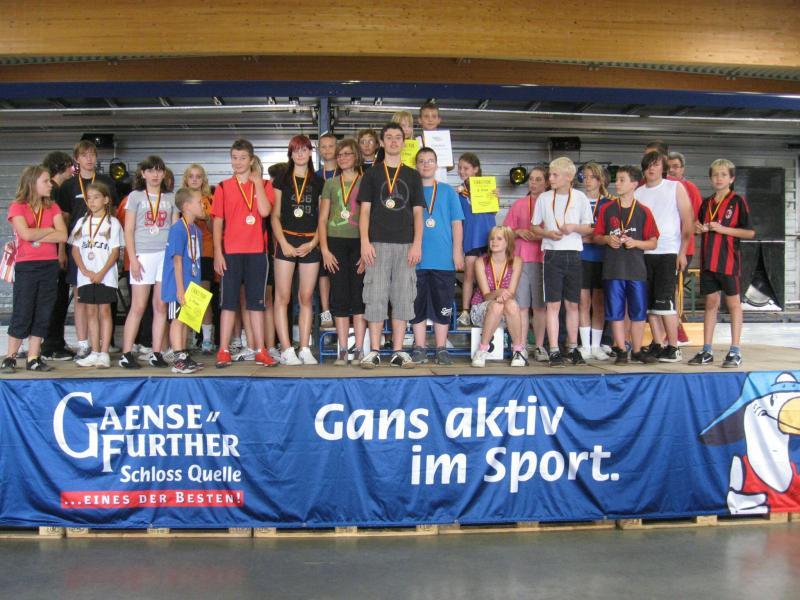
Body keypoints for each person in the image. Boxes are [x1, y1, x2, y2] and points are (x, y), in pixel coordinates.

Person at [357, 122, 424, 369]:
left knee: (403, 296)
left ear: (404, 142)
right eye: (389, 137)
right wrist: (365, 242)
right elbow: (364, 211)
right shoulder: (372, 174)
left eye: (398, 137)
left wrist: (417, 244)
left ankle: (398, 351)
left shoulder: (412, 175)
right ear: (382, 143)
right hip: (376, 244)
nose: (394, 141)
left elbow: (418, 213)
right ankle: (374, 351)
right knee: (375, 295)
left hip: (406, 245)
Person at [211, 139, 275, 368]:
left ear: (251, 160)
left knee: (256, 304)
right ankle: (223, 350)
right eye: (234, 158)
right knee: (228, 303)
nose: (237, 162)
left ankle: (260, 350)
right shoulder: (222, 187)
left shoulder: (264, 185)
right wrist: (218, 253)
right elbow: (217, 222)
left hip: (257, 252)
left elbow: (265, 211)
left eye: (242, 158)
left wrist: (257, 184)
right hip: (231, 252)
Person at [1, 166, 67, 373]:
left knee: (43, 311)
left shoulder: (53, 207)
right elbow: (25, 235)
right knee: (23, 310)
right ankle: (10, 357)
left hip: (49, 265)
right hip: (27, 265)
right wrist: (49, 230)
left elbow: (63, 235)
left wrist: (37, 233)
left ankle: (33, 357)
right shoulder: (18, 207)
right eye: (46, 181)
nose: (50, 185)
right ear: (32, 183)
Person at [688, 159, 754, 368]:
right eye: (715, 174)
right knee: (710, 303)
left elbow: (750, 232)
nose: (719, 178)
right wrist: (697, 229)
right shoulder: (706, 203)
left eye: (723, 174)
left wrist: (723, 229)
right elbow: (698, 226)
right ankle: (707, 349)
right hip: (708, 262)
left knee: (733, 304)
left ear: (731, 179)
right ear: (710, 178)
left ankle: (735, 350)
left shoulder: (737, 201)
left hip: (729, 262)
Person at [56, 139, 118, 361]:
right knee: (81, 297)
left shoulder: (106, 181)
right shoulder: (68, 186)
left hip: (102, 248)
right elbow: (63, 219)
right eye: (84, 155)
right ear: (77, 159)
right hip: (79, 247)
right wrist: (62, 249)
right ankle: (83, 344)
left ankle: (102, 345)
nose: (89, 158)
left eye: (92, 154)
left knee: (103, 301)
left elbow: (114, 213)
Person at [593, 166, 660, 365]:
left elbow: (653, 242)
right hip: (613, 268)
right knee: (616, 311)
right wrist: (607, 239)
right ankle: (621, 349)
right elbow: (596, 237)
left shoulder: (643, 211)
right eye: (617, 180)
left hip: (636, 269)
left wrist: (636, 243)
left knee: (638, 312)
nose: (618, 183)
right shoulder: (607, 209)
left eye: (622, 180)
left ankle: (637, 350)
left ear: (634, 184)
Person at [531, 157, 593, 367]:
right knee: (553, 304)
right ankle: (554, 349)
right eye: (550, 174)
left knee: (573, 304)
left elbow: (589, 227)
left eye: (555, 175)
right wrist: (547, 233)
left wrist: (574, 227)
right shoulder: (544, 198)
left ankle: (573, 348)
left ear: (568, 177)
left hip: (574, 254)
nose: (551, 178)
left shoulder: (580, 198)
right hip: (552, 254)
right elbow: (534, 227)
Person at [118, 156, 176, 369]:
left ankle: (156, 352)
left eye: (159, 170)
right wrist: (132, 259)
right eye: (150, 170)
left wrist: (174, 257)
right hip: (143, 255)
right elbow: (129, 229)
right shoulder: (135, 196)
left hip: (164, 256)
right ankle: (126, 354)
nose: (155, 175)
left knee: (161, 306)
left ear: (164, 173)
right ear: (143, 174)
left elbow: (175, 229)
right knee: (139, 306)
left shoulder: (170, 198)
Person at [636, 150, 694, 363]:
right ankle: (658, 344)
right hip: (644, 253)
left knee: (665, 302)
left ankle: (674, 346)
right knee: (650, 303)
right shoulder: (638, 192)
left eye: (656, 164)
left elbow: (688, 221)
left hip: (668, 252)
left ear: (663, 168)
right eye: (648, 165)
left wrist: (682, 252)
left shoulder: (674, 187)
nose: (651, 168)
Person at [272, 135, 325, 366]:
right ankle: (286, 349)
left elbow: (322, 219)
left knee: (306, 297)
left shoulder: (319, 182)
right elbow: (275, 215)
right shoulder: (282, 179)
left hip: (309, 244)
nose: (300, 154)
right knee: (283, 296)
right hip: (286, 241)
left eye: (304, 150)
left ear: (310, 152)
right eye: (296, 150)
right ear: (291, 154)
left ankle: (304, 347)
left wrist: (313, 243)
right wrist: (283, 243)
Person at [409, 147, 464, 365]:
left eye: (430, 160)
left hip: (443, 260)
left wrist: (457, 252)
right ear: (416, 165)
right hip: (416, 260)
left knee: (443, 305)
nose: (426, 164)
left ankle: (441, 347)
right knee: (417, 305)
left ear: (436, 164)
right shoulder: (411, 191)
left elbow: (457, 224)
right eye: (421, 161)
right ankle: (419, 347)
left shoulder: (448, 191)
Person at [319, 138, 367, 365]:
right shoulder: (330, 184)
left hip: (359, 243)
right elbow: (322, 219)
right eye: (340, 155)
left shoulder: (366, 181)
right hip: (335, 243)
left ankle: (359, 349)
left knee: (359, 296)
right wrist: (325, 250)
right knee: (339, 296)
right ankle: (343, 350)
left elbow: (371, 217)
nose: (343, 158)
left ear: (356, 156)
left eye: (347, 154)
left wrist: (367, 250)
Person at [70, 182, 123, 368]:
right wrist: (85, 271)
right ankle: (94, 351)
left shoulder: (113, 223)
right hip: (86, 276)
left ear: (106, 199)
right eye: (89, 198)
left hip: (105, 276)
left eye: (96, 197)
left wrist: (101, 273)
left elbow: (115, 252)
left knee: (105, 311)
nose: (91, 201)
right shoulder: (82, 222)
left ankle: (104, 352)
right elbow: (75, 249)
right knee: (90, 312)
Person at [503, 166, 548, 362]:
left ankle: (539, 346)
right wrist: (518, 232)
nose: (533, 183)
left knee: (540, 307)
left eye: (538, 179)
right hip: (520, 260)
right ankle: (520, 346)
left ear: (546, 183)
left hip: (542, 259)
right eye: (531, 179)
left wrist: (540, 235)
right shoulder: (519, 204)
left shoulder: (550, 204)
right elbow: (505, 232)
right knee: (521, 306)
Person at [470, 226, 526, 368]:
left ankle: (518, 350)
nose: (494, 242)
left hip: (506, 307)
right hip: (482, 309)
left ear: (508, 242)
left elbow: (511, 292)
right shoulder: (480, 262)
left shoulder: (517, 261)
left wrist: (503, 295)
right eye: (492, 239)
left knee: (511, 304)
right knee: (496, 306)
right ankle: (482, 350)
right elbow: (486, 296)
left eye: (499, 239)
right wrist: (498, 292)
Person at [162, 187, 204, 374]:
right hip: (178, 285)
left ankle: (184, 355)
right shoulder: (178, 229)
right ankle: (178, 358)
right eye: (199, 202)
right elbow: (177, 260)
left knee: (186, 319)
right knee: (177, 320)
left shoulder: (197, 230)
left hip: (192, 283)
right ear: (186, 206)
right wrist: (180, 289)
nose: (203, 205)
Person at [40, 151, 78, 361]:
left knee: (60, 297)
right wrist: (61, 250)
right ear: (60, 167)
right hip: (53, 252)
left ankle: (57, 341)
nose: (73, 170)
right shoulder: (52, 190)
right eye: (70, 166)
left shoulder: (58, 190)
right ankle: (51, 345)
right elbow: (59, 222)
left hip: (54, 250)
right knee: (56, 298)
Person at [455, 153, 497, 327]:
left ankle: (489, 309)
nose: (461, 171)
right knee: (469, 275)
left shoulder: (487, 188)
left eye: (466, 168)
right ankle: (465, 311)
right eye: (459, 168)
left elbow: (493, 212)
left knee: (490, 276)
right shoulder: (459, 192)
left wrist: (495, 197)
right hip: (470, 237)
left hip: (489, 238)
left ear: (476, 169)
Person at [579, 162, 614, 360]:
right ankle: (585, 346)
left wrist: (593, 236)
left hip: (602, 257)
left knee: (599, 302)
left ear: (600, 180)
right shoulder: (577, 200)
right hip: (581, 257)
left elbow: (610, 231)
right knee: (583, 301)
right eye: (584, 177)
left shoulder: (609, 204)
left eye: (591, 177)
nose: (587, 181)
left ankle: (596, 346)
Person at [182, 164, 216, 354]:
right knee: (186, 297)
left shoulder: (209, 200)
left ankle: (207, 339)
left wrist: (206, 216)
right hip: (186, 253)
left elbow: (214, 229)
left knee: (202, 295)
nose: (195, 179)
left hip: (205, 252)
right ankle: (186, 338)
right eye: (191, 176)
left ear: (203, 180)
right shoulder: (181, 199)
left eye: (198, 176)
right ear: (186, 179)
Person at [315, 133, 338, 328]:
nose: (328, 150)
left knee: (340, 271)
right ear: (318, 149)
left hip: (342, 230)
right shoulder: (315, 176)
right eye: (324, 146)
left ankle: (340, 309)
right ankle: (325, 312)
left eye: (331, 146)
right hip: (320, 230)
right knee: (323, 272)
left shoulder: (346, 172)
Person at [416, 101, 451, 183]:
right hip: (421, 185)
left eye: (434, 116)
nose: (430, 120)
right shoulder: (415, 142)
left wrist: (447, 160)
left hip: (441, 183)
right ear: (419, 120)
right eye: (426, 116)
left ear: (439, 120)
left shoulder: (445, 140)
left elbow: (450, 166)